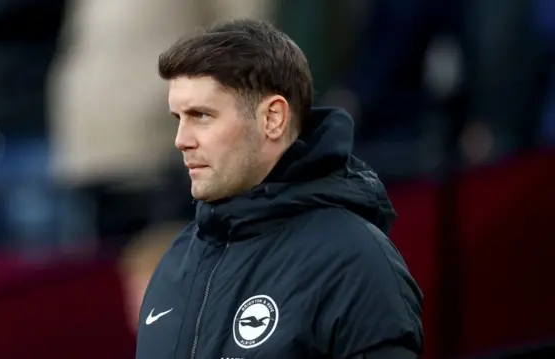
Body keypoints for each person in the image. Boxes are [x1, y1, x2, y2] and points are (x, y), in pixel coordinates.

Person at [135, 19, 423, 359]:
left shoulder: (353, 260)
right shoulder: (175, 262)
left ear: (273, 118)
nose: (181, 140)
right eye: (177, 118)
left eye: (201, 115)